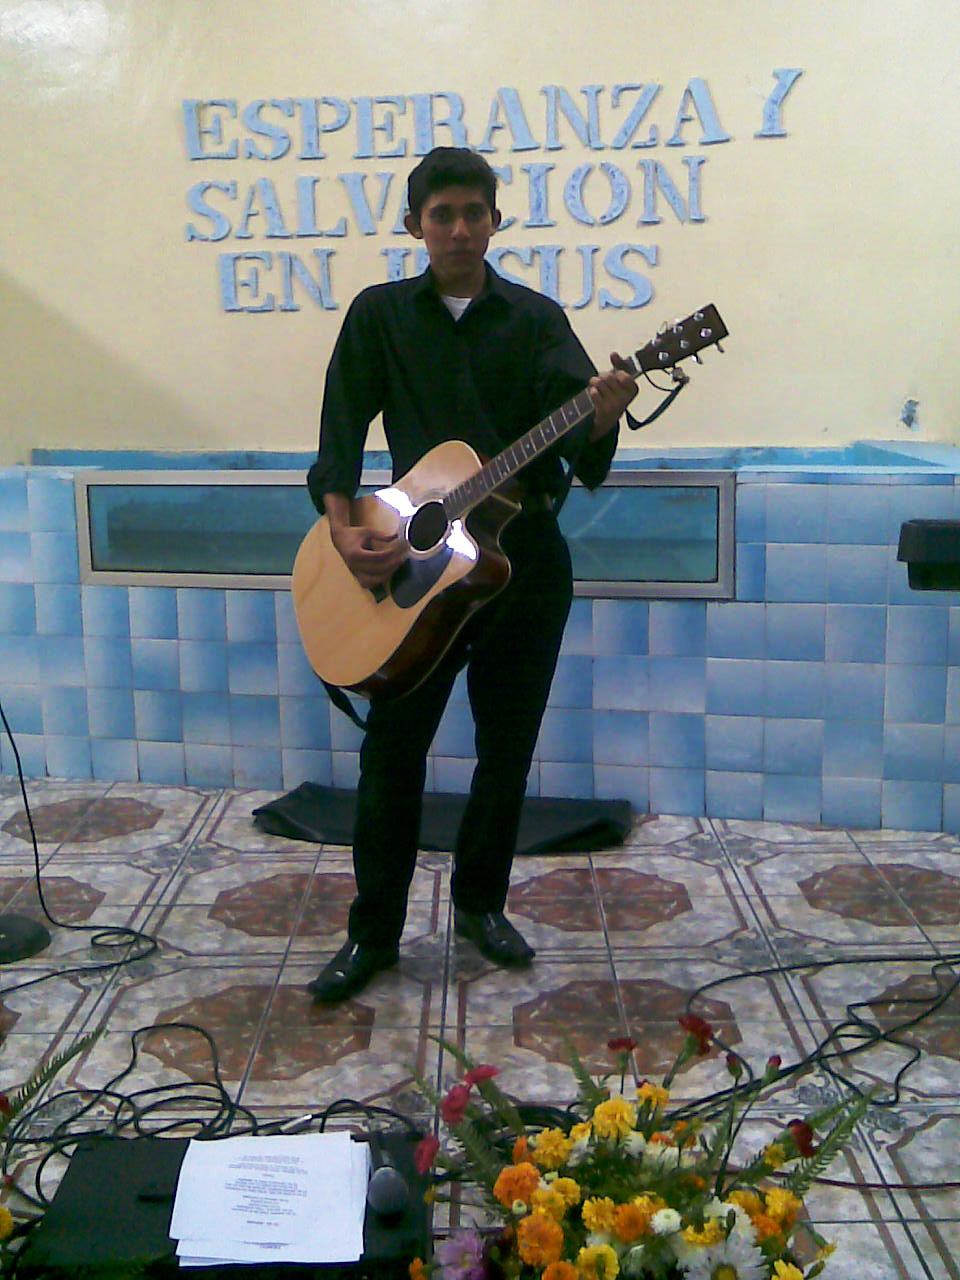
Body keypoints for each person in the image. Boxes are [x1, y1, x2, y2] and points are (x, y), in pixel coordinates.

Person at [306, 146, 638, 1003]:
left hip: (523, 565)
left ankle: (482, 905)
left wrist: (602, 416)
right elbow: (339, 432)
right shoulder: (379, 315)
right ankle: (373, 931)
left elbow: (580, 445)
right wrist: (343, 532)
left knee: (507, 749)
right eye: (442, 214)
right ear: (415, 225)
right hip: (414, 566)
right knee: (393, 751)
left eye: (473, 213)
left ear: (496, 221)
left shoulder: (535, 320)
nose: (459, 229)